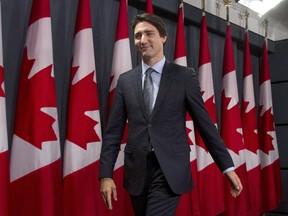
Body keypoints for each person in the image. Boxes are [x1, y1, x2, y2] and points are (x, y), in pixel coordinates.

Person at [99, 13, 242, 216]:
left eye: (149, 33)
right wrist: (106, 175)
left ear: (163, 37)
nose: (143, 40)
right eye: (138, 35)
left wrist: (227, 167)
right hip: (137, 172)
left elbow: (205, 125)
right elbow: (113, 132)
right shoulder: (125, 81)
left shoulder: (184, 77)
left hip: (169, 170)